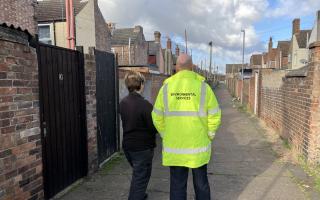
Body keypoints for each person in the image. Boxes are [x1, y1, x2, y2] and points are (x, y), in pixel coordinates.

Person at [152, 53, 221, 200]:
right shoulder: (204, 88)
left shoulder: (166, 88)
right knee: (201, 184)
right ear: (192, 67)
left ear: (176, 67)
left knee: (177, 186)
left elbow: (157, 116)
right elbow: (215, 114)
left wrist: (166, 134)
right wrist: (210, 134)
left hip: (175, 147)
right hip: (198, 147)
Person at [120, 71, 157, 200]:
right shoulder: (145, 105)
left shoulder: (123, 102)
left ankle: (140, 194)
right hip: (143, 148)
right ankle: (137, 195)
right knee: (140, 177)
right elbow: (153, 128)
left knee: (140, 175)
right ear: (141, 84)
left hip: (128, 147)